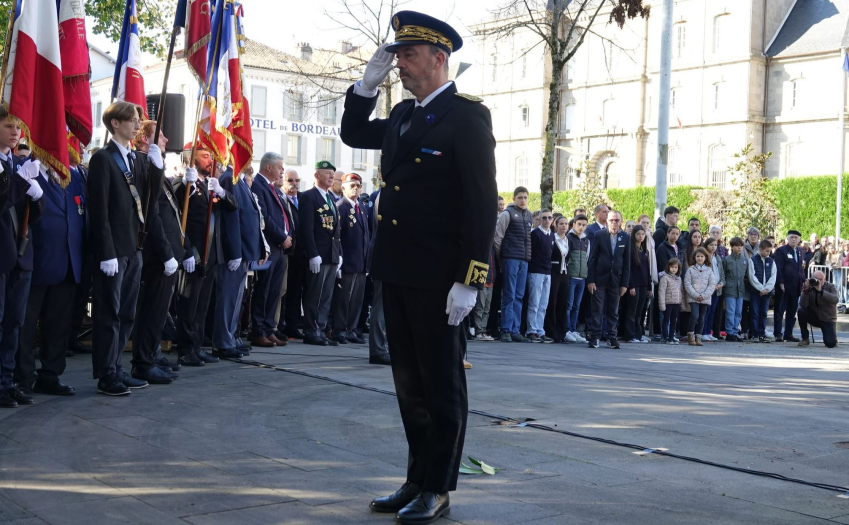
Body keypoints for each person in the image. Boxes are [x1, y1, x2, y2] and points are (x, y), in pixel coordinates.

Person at [340, 12, 497, 521]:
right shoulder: (405, 117)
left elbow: (479, 204)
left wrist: (470, 281)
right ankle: (415, 479)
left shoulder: (467, 118)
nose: (400, 64)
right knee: (409, 384)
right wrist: (366, 84)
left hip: (440, 277)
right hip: (398, 268)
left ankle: (439, 487)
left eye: (408, 55)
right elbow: (353, 131)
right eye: (398, 55)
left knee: (442, 384)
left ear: (438, 58)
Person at [88, 101, 164, 395]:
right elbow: (100, 211)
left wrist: (156, 168)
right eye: (131, 120)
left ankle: (117, 368)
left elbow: (149, 201)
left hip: (134, 248)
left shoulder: (135, 159)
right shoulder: (103, 160)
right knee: (109, 313)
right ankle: (106, 374)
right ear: (115, 124)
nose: (137, 124)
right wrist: (106, 251)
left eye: (137, 119)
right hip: (114, 251)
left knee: (127, 312)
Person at [15, 150, 82, 397]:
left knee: (58, 324)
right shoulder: (26, 171)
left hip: (67, 260)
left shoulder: (73, 177)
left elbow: (78, 214)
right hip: (36, 258)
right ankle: (23, 376)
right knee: (26, 325)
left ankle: (51, 374)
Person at [131, 123, 190, 385]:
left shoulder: (158, 169)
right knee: (152, 311)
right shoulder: (144, 167)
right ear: (144, 138)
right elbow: (152, 215)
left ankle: (151, 357)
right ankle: (143, 362)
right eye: (160, 134)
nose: (166, 139)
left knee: (159, 312)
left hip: (169, 253)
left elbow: (173, 217)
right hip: (157, 254)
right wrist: (167, 252)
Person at [175, 147, 237, 364]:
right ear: (190, 159)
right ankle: (185, 349)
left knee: (202, 304)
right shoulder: (185, 182)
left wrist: (221, 192)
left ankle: (197, 345)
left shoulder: (209, 184)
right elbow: (177, 212)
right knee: (189, 304)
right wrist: (184, 184)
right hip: (194, 253)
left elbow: (232, 205)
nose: (210, 160)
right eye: (204, 156)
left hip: (211, 253)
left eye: (211, 156)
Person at [1, 115, 44, 406]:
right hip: (1, 255)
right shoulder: (16, 171)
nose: (16, 132)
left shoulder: (18, 164)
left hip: (21, 253)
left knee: (15, 321)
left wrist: (37, 196)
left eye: (18, 127)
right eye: (8, 126)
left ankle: (6, 381)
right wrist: (19, 181)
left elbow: (31, 215)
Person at [215, 165, 267, 358]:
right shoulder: (230, 178)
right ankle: (223, 342)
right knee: (228, 298)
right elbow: (231, 217)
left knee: (236, 299)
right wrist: (234, 251)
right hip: (235, 251)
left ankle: (230, 337)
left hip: (245, 250)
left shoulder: (240, 179)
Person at [250, 152, 292, 348]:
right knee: (263, 290)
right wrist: (282, 237)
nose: (282, 170)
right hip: (269, 246)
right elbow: (264, 217)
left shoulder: (271, 188)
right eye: (280, 167)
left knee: (274, 291)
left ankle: (269, 329)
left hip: (280, 249)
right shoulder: (259, 185)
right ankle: (258, 331)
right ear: (269, 167)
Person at [298, 161, 343, 347]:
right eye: (327, 173)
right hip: (318, 255)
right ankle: (311, 330)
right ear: (317, 175)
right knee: (315, 294)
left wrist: (338, 253)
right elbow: (307, 228)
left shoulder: (330, 198)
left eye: (333, 173)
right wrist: (312, 253)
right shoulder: (309, 197)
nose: (332, 177)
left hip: (331, 254)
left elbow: (335, 229)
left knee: (326, 296)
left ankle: (321, 329)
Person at [331, 173, 370, 344]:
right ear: (344, 187)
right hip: (347, 261)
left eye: (359, 185)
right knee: (343, 299)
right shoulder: (341, 206)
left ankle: (351, 329)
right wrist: (339, 259)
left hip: (360, 262)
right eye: (352, 185)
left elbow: (365, 235)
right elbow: (338, 236)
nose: (356, 188)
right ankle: (339, 330)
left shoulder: (360, 206)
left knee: (356, 299)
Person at [493, 187, 532, 343]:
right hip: (510, 258)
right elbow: (498, 238)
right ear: (514, 198)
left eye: (525, 197)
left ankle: (515, 330)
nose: (523, 200)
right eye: (520, 197)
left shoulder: (529, 215)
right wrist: (500, 259)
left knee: (519, 296)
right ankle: (506, 330)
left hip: (524, 259)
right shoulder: (507, 214)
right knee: (509, 295)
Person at [586, 210, 630, 349]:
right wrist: (590, 280)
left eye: (617, 220)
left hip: (616, 280)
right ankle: (595, 337)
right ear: (607, 221)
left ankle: (612, 337)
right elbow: (592, 259)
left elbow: (627, 263)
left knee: (613, 310)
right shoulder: (599, 235)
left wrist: (624, 284)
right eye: (611, 220)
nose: (614, 223)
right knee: (597, 309)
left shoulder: (626, 238)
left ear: (621, 221)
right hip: (599, 278)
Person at [281, 169, 305, 339]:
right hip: (285, 250)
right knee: (283, 290)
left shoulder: (303, 199)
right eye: (290, 180)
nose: (294, 184)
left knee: (296, 290)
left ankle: (292, 324)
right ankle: (281, 325)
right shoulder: (281, 198)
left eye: (297, 180)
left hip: (300, 253)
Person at [526, 209, 554, 343]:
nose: (547, 220)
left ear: (552, 220)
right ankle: (531, 330)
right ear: (539, 219)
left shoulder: (551, 235)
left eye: (549, 218)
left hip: (547, 272)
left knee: (543, 304)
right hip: (536, 271)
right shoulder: (535, 234)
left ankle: (540, 330)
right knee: (534, 303)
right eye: (544, 218)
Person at [772, 230, 804, 342]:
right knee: (780, 311)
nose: (793, 239)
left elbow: (801, 268)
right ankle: (778, 333)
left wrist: (803, 282)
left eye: (796, 237)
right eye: (791, 237)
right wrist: (780, 283)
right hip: (784, 286)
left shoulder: (800, 251)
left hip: (796, 287)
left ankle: (788, 333)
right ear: (787, 238)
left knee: (792, 312)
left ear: (799, 240)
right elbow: (778, 268)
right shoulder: (781, 251)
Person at [544, 216, 569, 343]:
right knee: (552, 301)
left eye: (566, 224)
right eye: (561, 224)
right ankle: (551, 331)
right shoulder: (552, 238)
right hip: (553, 272)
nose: (564, 226)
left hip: (564, 273)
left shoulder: (567, 240)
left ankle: (561, 332)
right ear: (556, 225)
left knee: (562, 302)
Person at [684, 247, 717, 346]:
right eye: (698, 256)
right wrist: (695, 295)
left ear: (705, 257)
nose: (700, 258)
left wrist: (703, 295)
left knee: (702, 317)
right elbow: (687, 284)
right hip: (693, 298)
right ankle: (690, 336)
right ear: (694, 257)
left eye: (702, 256)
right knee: (695, 315)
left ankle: (698, 337)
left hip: (705, 298)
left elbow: (712, 285)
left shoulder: (709, 270)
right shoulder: (691, 269)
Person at [564, 215, 589, 343]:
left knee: (577, 305)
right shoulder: (568, 238)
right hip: (571, 277)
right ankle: (567, 330)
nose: (581, 227)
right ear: (573, 224)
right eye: (579, 224)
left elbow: (587, 258)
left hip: (582, 278)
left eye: (584, 225)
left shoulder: (586, 241)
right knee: (569, 304)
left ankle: (573, 330)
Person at [624, 225, 651, 343]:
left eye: (642, 234)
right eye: (638, 234)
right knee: (632, 310)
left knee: (640, 311)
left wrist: (649, 286)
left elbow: (647, 270)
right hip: (634, 285)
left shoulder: (643, 250)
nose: (640, 237)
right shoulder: (630, 250)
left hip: (644, 284)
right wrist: (631, 286)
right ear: (634, 235)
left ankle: (638, 334)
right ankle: (630, 335)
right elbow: (628, 269)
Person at [798, 270, 838, 348]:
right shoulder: (810, 286)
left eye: (821, 279)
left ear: (825, 279)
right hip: (815, 317)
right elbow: (803, 305)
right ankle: (805, 338)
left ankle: (833, 338)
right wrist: (806, 291)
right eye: (816, 279)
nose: (818, 281)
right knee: (801, 311)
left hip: (827, 319)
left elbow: (835, 300)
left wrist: (821, 291)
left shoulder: (830, 286)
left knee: (830, 343)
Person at [747, 240, 777, 343]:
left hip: (766, 293)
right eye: (767, 251)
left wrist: (767, 289)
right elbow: (752, 276)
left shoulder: (771, 261)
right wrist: (760, 288)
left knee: (764, 313)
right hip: (756, 292)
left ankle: (762, 333)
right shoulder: (753, 260)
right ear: (760, 249)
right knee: (755, 313)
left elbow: (773, 276)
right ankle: (755, 334)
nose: (768, 253)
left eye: (770, 251)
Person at [721, 237, 748, 342]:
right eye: (737, 246)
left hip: (740, 289)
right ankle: (730, 332)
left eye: (741, 246)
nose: (739, 248)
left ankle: (735, 331)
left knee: (738, 312)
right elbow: (723, 274)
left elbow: (747, 274)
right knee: (730, 311)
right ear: (732, 247)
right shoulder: (727, 260)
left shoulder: (744, 260)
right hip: (730, 289)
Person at [638, 215, 659, 341]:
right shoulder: (637, 240)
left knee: (644, 306)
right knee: (637, 308)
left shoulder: (650, 239)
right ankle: (637, 332)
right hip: (639, 277)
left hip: (648, 276)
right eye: (643, 222)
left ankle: (641, 332)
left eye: (647, 223)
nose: (645, 225)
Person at [700, 238, 723, 341]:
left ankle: (709, 331)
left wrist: (721, 283)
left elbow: (721, 272)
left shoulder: (717, 257)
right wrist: (711, 285)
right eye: (711, 245)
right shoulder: (704, 257)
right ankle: (703, 332)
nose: (713, 247)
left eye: (715, 245)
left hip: (717, 288)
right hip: (707, 289)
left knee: (713, 311)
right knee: (706, 311)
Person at [658, 259, 682, 345]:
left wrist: (680, 302)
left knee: (673, 321)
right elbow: (661, 292)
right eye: (672, 267)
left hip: (676, 303)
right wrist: (662, 305)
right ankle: (666, 337)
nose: (674, 269)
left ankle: (671, 336)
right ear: (668, 267)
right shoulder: (665, 278)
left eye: (676, 267)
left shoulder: (678, 278)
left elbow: (680, 290)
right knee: (666, 320)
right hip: (668, 303)